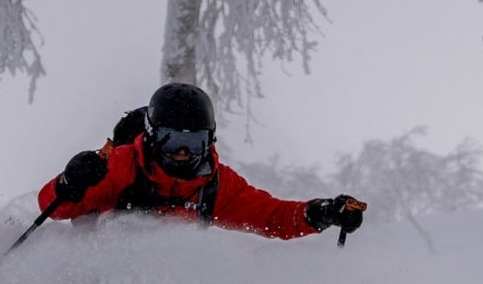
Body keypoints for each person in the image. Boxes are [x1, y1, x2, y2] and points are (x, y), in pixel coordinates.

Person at [38, 82, 366, 242]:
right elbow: (52, 206)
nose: (182, 152)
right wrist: (72, 181)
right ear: (152, 136)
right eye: (171, 139)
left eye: (194, 141)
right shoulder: (122, 164)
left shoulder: (215, 184)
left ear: (209, 140)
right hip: (94, 274)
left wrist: (321, 213)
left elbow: (275, 217)